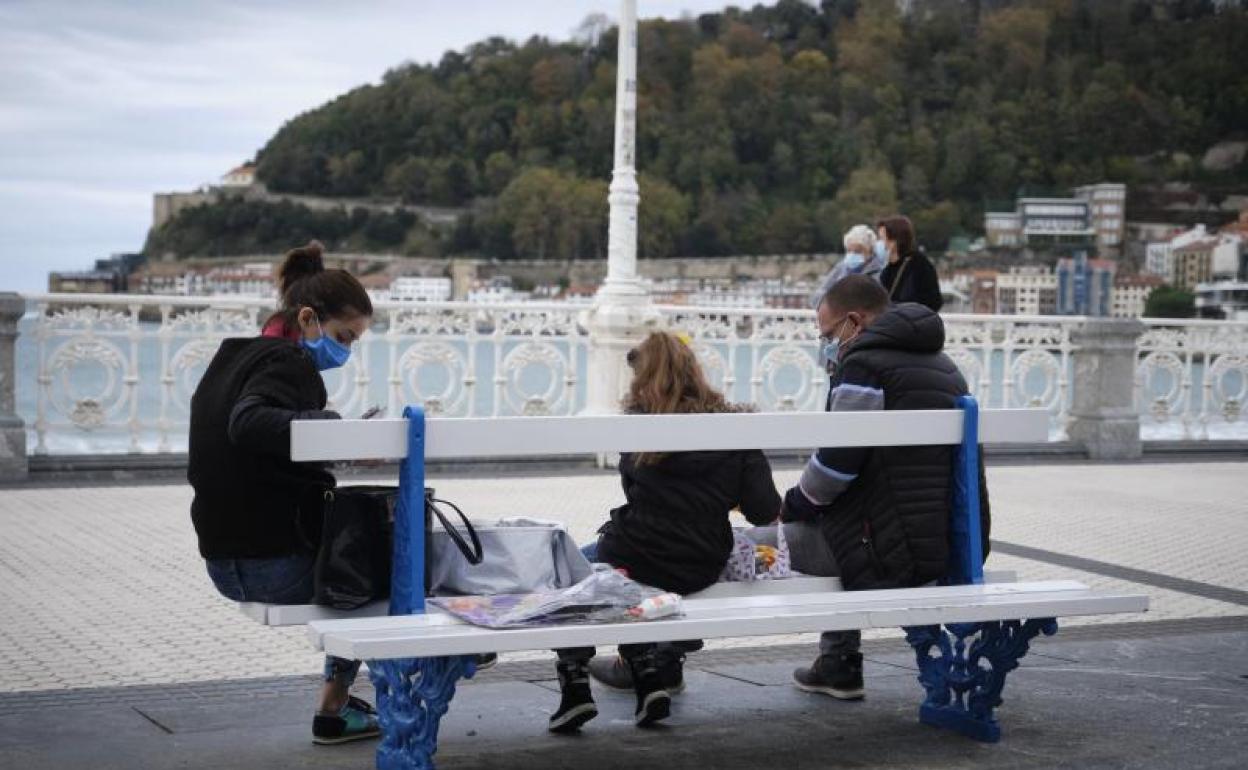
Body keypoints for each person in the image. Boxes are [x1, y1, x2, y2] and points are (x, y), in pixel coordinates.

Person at [752, 275, 989, 700]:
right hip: (940, 544)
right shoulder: (943, 365)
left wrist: (790, 507)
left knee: (746, 545)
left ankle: (659, 660)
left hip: (886, 550)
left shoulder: (863, 366)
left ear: (854, 322)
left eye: (827, 334)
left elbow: (834, 471)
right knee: (847, 520)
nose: (826, 344)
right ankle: (837, 662)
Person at [188, 241, 380, 745]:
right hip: (269, 566)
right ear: (309, 318)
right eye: (344, 336)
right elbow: (248, 423)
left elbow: (262, 450)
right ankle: (340, 706)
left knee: (367, 554)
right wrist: (333, 429)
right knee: (384, 564)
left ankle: (342, 703)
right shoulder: (290, 364)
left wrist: (335, 449)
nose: (346, 350)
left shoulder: (233, 356)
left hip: (223, 560)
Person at [549, 332, 782, 734]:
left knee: (569, 574)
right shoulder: (736, 426)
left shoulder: (640, 428)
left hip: (639, 553)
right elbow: (765, 510)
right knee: (609, 572)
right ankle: (649, 678)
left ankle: (576, 688)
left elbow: (634, 495)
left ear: (642, 379)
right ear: (695, 370)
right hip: (702, 561)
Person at [876, 215, 943, 311]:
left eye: (882, 239)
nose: (880, 244)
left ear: (895, 240)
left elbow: (934, 301)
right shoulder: (887, 269)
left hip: (912, 323)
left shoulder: (919, 264)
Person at [810, 224, 886, 307]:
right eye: (849, 251)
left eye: (858, 251)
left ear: (870, 251)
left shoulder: (879, 273)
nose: (852, 254)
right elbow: (817, 295)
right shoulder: (841, 268)